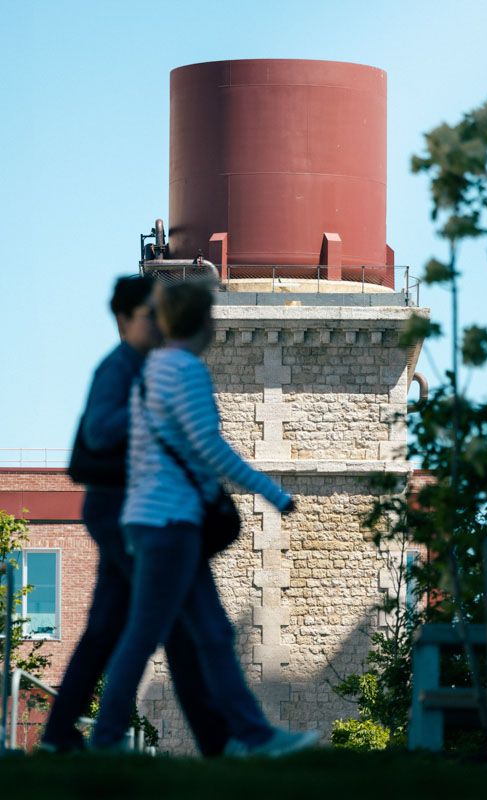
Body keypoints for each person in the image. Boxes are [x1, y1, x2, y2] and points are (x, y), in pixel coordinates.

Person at [92, 280, 319, 757]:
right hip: (170, 524)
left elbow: (140, 448)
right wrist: (271, 490)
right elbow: (208, 445)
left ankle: (256, 735)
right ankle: (108, 737)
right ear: (202, 322)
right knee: (146, 632)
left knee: (210, 632)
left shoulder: (149, 370)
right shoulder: (185, 370)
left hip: (152, 520)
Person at [42, 276, 230, 756]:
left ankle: (59, 736)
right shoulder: (119, 367)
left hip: (133, 511)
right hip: (118, 512)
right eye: (151, 313)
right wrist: (151, 410)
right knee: (183, 623)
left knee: (106, 625)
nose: (161, 322)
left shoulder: (148, 366)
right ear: (125, 319)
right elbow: (100, 433)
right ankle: (219, 742)